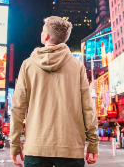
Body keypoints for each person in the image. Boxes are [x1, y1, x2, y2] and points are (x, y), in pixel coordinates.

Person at [10, 16, 99, 167]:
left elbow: (17, 108)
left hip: (36, 147)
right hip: (70, 148)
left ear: (45, 36)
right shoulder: (77, 66)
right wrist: (93, 143)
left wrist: (15, 144)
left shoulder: (28, 65)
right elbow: (88, 108)